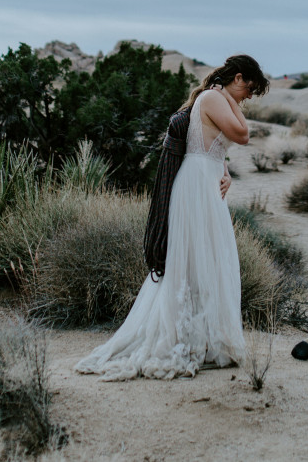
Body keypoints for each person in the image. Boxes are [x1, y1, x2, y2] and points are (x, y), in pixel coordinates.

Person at [75, 54, 269, 381]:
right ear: (238, 78)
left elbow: (210, 146)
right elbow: (242, 134)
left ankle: (207, 338)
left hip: (206, 182)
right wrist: (233, 103)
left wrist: (225, 173)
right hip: (194, 186)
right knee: (194, 258)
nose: (248, 97)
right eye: (249, 88)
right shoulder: (213, 97)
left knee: (210, 259)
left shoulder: (216, 98)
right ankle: (181, 338)